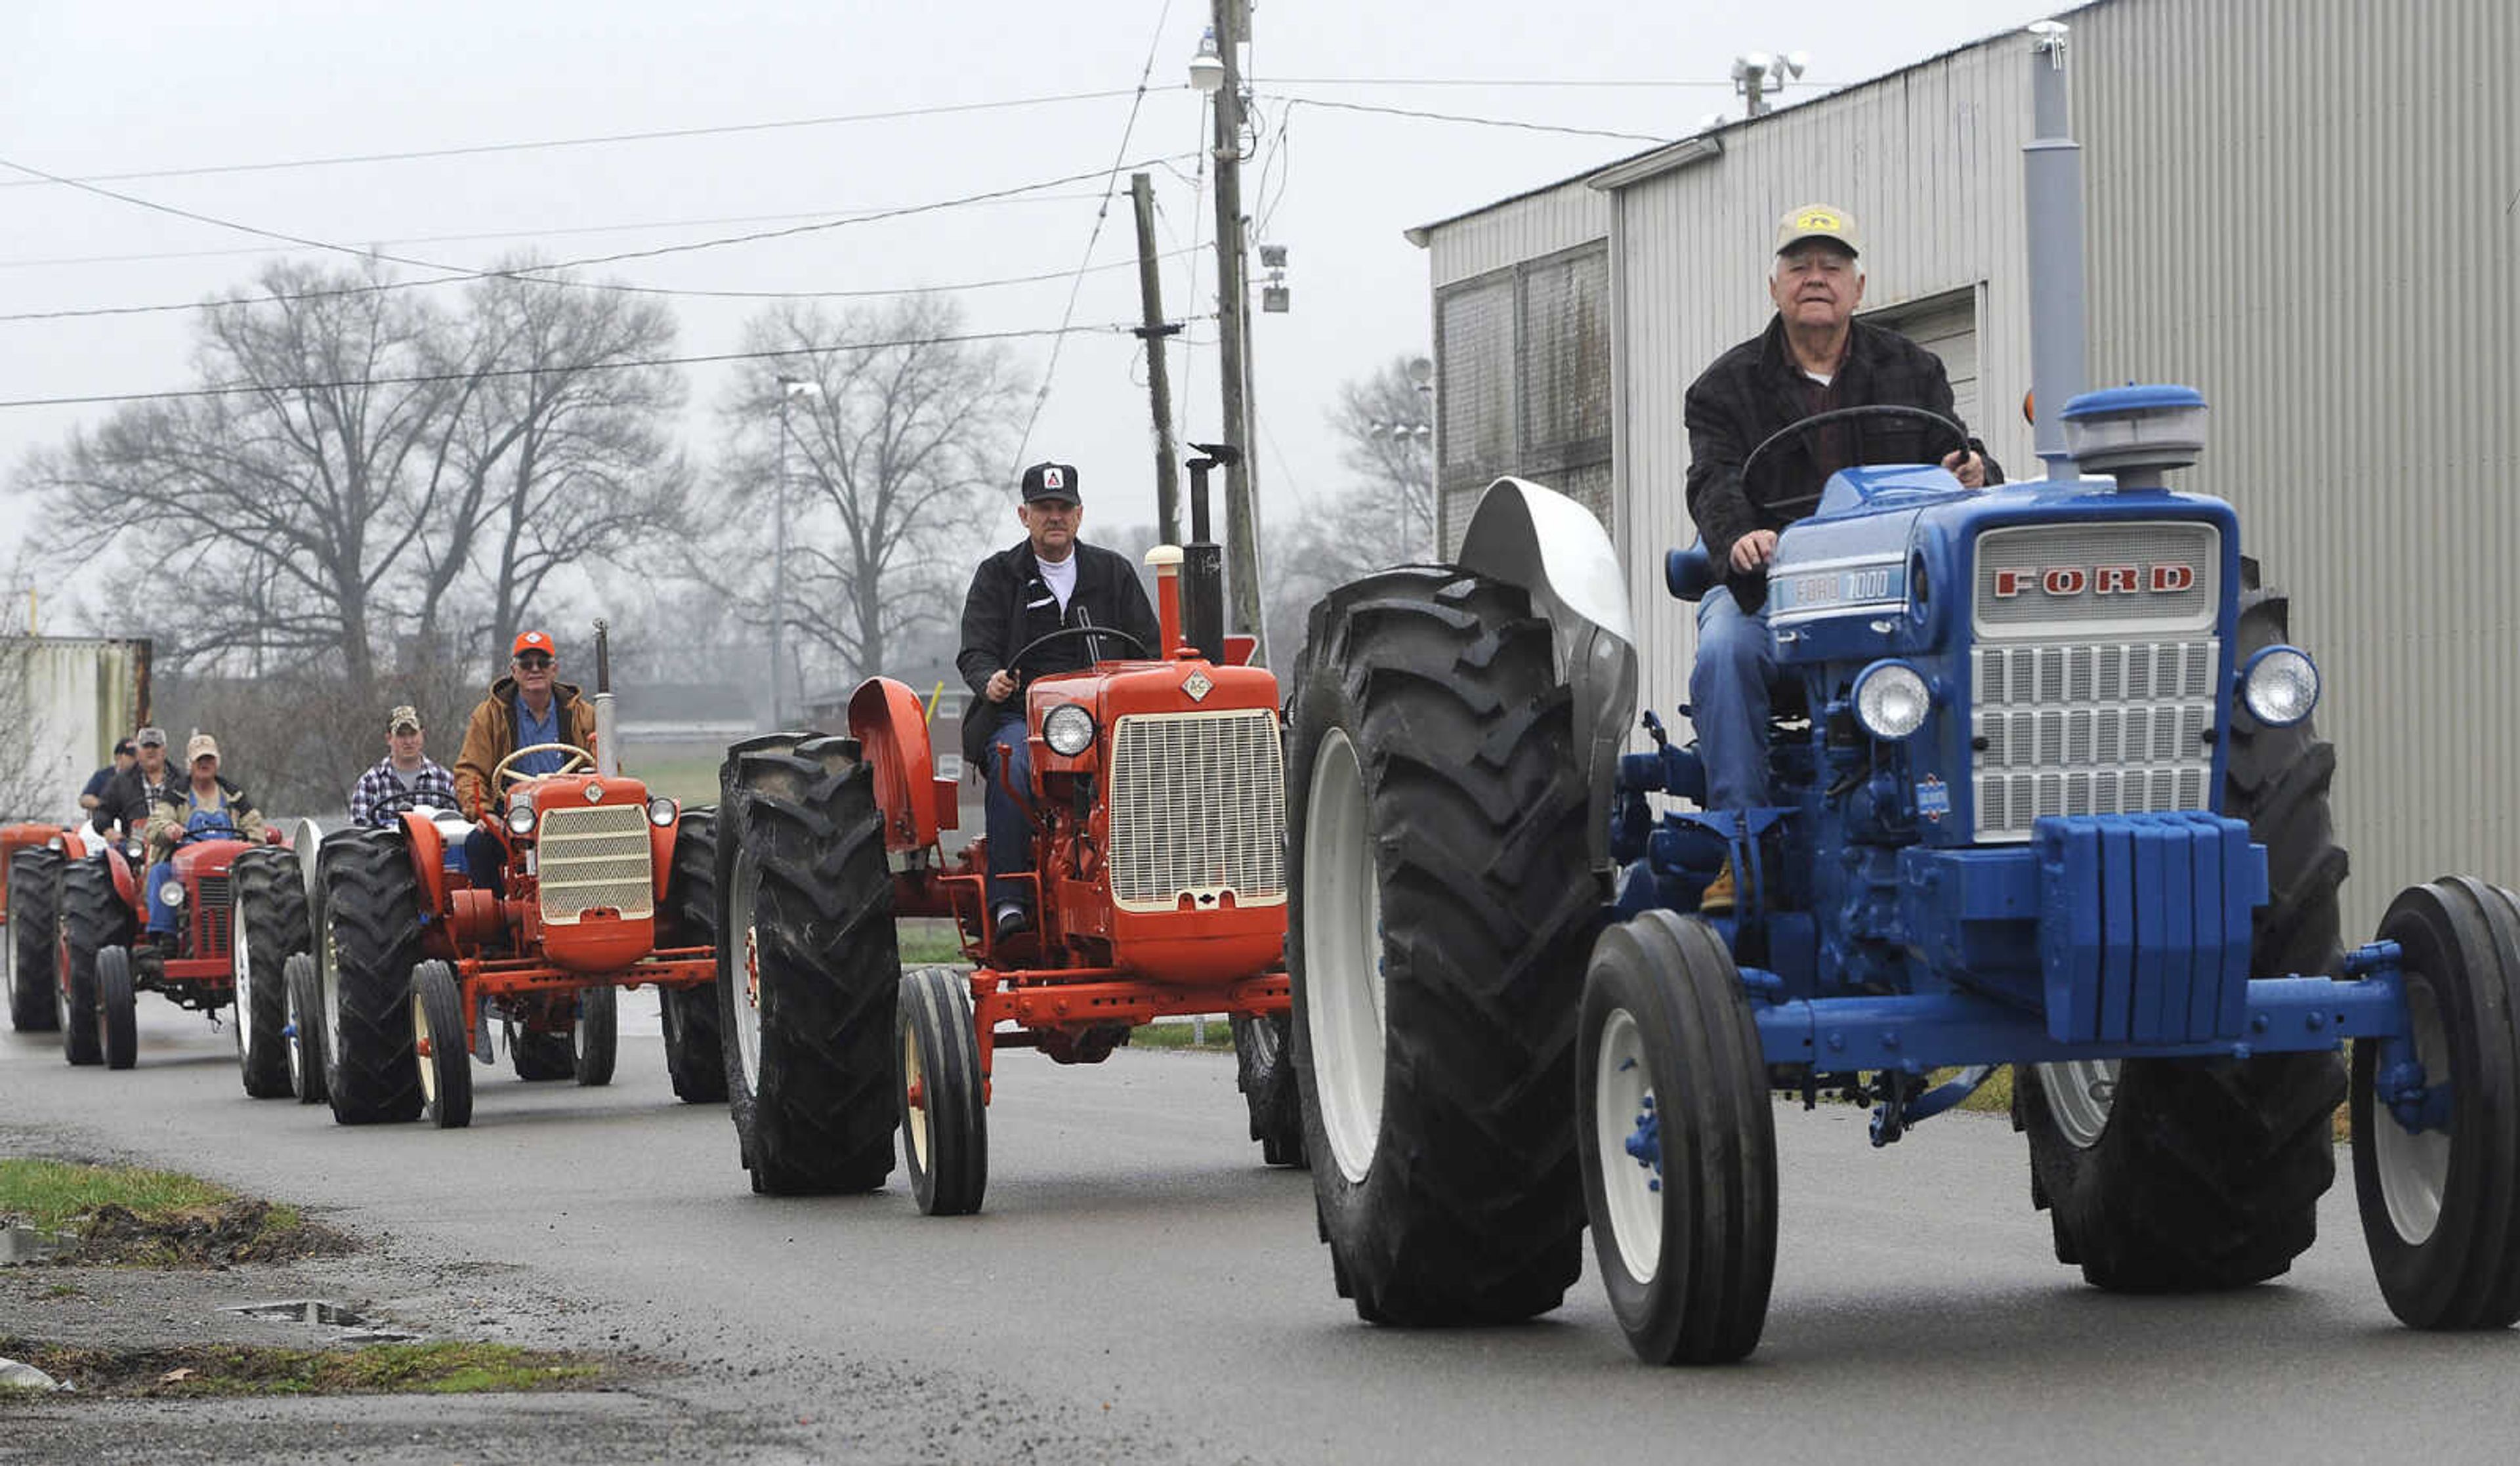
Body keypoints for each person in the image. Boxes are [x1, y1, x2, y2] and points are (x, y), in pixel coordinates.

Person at [1683, 203, 2002, 906]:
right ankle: (1742, 846)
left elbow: (1954, 457)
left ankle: (1996, 821)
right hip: (1774, 593)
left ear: (1859, 286)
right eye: (1800, 266)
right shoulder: (1724, 387)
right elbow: (1713, 477)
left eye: (1832, 266)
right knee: (1726, 655)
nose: (1816, 279)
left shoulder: (1913, 371)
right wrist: (1739, 536)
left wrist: (1977, 469)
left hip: (1890, 596)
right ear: (1775, 287)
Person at [955, 461, 1160, 940]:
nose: (1055, 517)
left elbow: (1147, 649)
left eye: (1063, 508)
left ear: (1079, 515)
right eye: (1044, 508)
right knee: (1014, 766)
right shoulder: (998, 576)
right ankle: (1009, 899)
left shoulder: (1112, 573)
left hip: (1106, 719)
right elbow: (975, 650)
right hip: (1024, 717)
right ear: (1024, 515)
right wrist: (990, 681)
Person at [453, 630, 600, 892]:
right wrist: (485, 813)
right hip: (512, 817)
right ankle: (495, 925)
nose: (535, 669)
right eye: (526, 664)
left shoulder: (583, 714)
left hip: (571, 812)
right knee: (478, 844)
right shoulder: (490, 715)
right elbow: (470, 770)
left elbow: (606, 767)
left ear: (555, 669)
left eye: (542, 663)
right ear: (514, 670)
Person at [139, 734, 266, 946]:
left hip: (232, 867)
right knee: (160, 873)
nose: (205, 764)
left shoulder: (234, 797)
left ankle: (255, 936)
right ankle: (165, 939)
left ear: (217, 762)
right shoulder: (175, 795)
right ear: (190, 764)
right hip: (185, 870)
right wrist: (169, 829)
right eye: (200, 760)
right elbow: (154, 825)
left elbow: (255, 828)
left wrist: (251, 847)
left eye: (209, 759)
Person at [349, 704, 459, 827]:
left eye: (413, 734)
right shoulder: (369, 783)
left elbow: (457, 824)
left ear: (422, 735)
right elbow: (361, 833)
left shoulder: (445, 781)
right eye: (401, 735)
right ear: (389, 739)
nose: (408, 741)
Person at [91, 726, 178, 835]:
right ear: (138, 751)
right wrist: (108, 831)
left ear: (164, 750)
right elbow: (102, 811)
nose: (151, 751)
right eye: (146, 746)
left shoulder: (181, 780)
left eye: (155, 746)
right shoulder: (121, 782)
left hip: (176, 845)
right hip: (135, 846)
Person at [79, 739, 136, 814]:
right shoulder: (103, 776)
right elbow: (84, 799)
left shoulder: (141, 777)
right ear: (118, 758)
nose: (136, 760)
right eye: (132, 757)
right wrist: (104, 805)